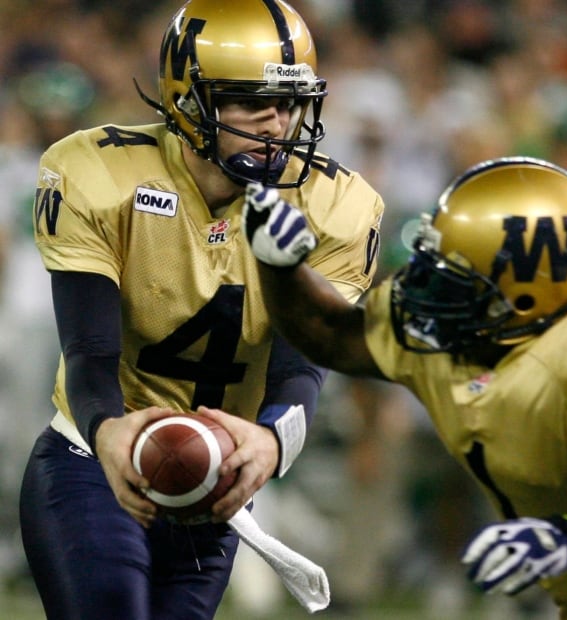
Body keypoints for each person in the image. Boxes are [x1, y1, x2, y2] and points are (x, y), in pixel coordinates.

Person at [242, 156, 567, 618]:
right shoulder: (452, 338)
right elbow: (331, 336)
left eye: (454, 280)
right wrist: (282, 267)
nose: (424, 292)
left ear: (527, 294)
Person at [19, 1, 384, 618]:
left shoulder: (336, 207)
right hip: (95, 455)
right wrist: (109, 435)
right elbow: (90, 355)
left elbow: (302, 369)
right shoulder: (98, 172)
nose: (276, 123)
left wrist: (270, 443)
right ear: (188, 101)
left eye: (289, 103)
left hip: (215, 486)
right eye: (250, 100)